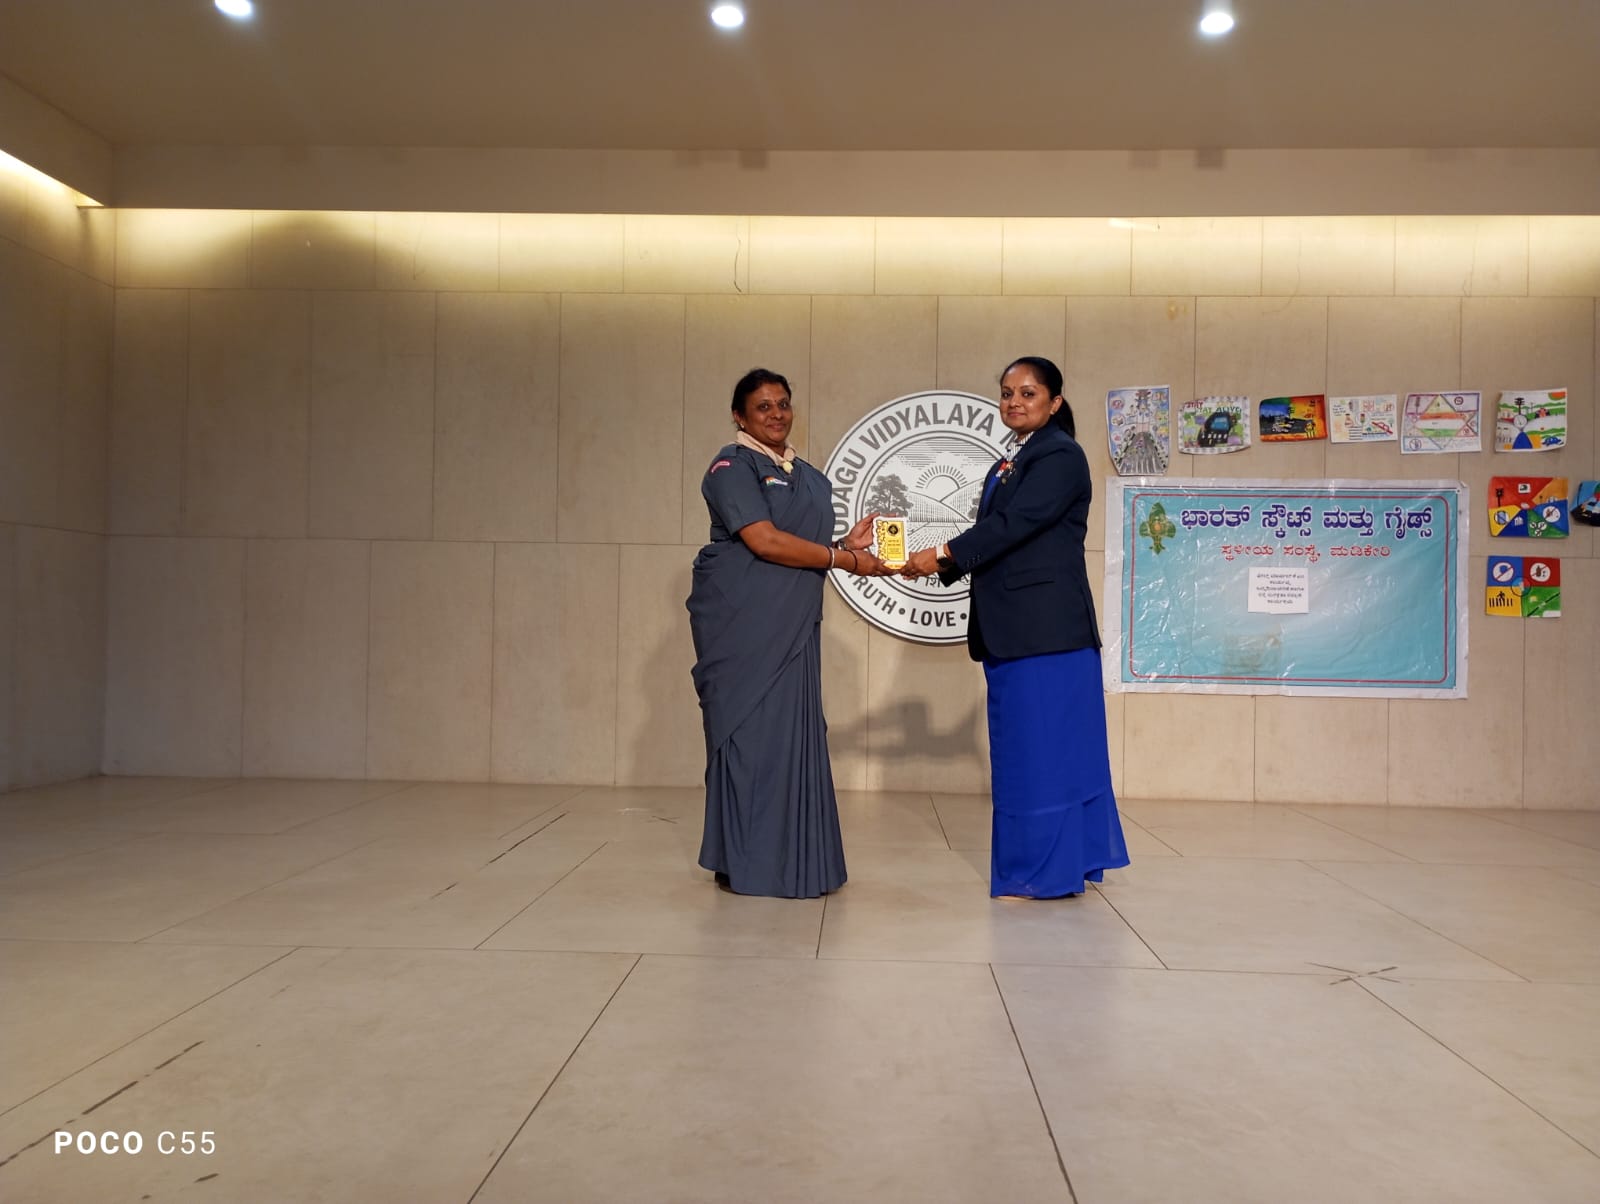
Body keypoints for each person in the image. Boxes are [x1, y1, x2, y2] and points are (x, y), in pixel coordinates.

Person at [900, 356, 1129, 899]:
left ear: (1054, 401)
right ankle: (1045, 866)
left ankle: (1046, 873)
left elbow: (1015, 523)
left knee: (1047, 758)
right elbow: (1001, 533)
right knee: (1028, 756)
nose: (1014, 402)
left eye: (1028, 393)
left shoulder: (1061, 455)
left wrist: (943, 554)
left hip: (1047, 635)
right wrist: (941, 561)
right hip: (1017, 633)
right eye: (1007, 393)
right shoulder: (1014, 459)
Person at [687, 368, 889, 898]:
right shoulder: (732, 466)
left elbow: (801, 546)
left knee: (790, 739)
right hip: (745, 623)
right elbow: (765, 541)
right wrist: (844, 560)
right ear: (739, 416)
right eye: (763, 406)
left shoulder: (807, 475)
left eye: (783, 404)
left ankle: (792, 861)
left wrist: (845, 544)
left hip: (793, 624)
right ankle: (746, 862)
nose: (776, 414)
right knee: (750, 740)